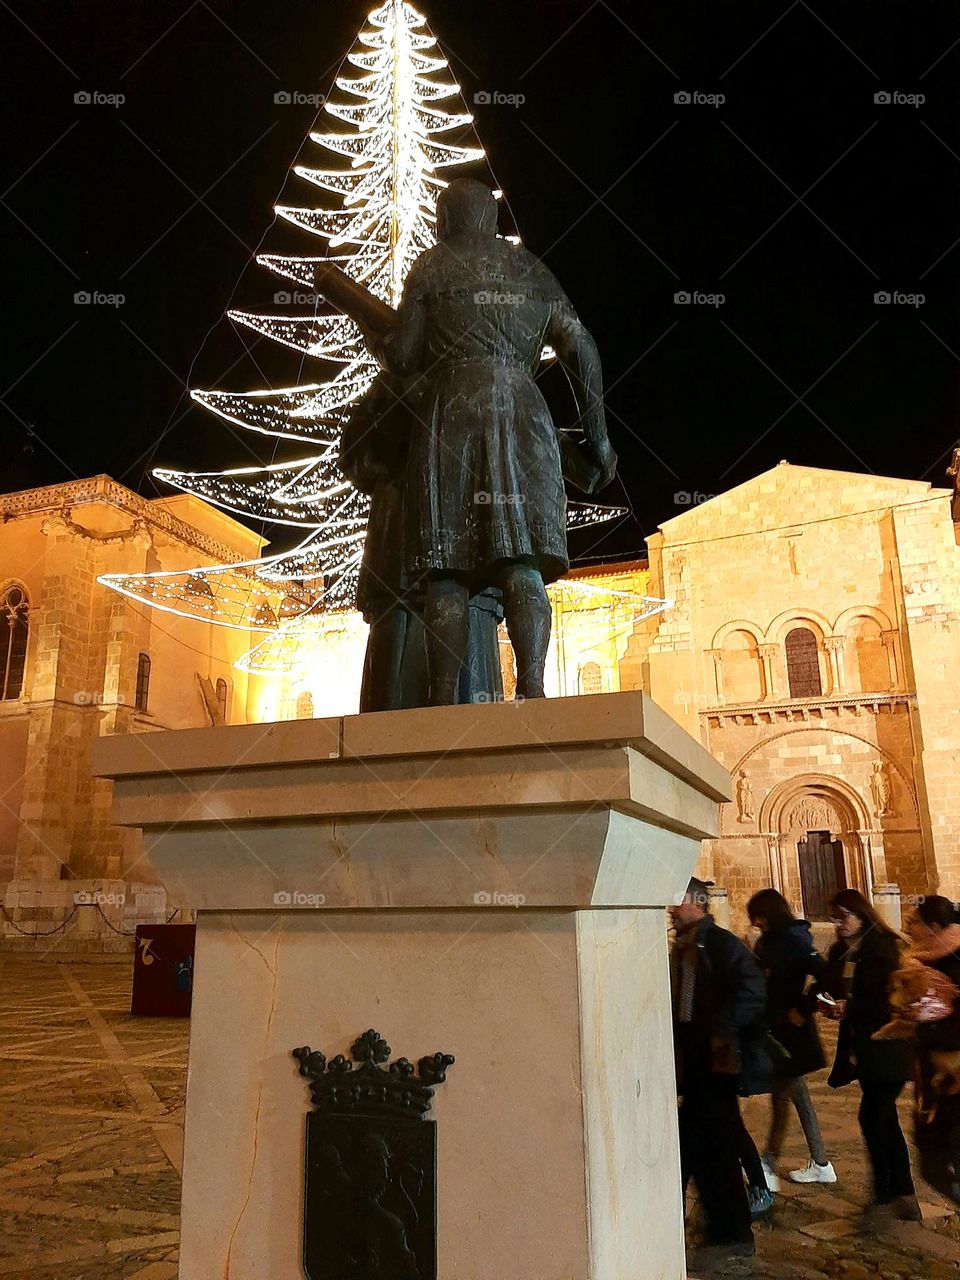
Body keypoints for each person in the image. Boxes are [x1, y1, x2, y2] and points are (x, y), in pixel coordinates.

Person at [377, 178, 617, 704]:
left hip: (449, 417)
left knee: (446, 569)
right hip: (520, 410)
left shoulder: (430, 267)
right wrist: (597, 438)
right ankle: (531, 685)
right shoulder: (529, 268)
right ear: (491, 218)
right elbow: (581, 345)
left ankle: (442, 696)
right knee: (522, 559)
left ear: (445, 220)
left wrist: (392, 334)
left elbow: (401, 357)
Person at [670, 876, 767, 1261]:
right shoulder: (686, 947)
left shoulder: (721, 944)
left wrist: (721, 1027)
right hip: (693, 1064)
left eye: (675, 901)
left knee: (719, 1147)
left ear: (696, 901)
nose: (670, 910)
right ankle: (713, 1228)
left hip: (716, 1064)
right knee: (694, 1145)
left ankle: (732, 1234)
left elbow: (753, 990)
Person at [821, 889, 918, 1221]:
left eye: (843, 917)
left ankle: (890, 1191)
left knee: (874, 1116)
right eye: (834, 918)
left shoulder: (881, 949)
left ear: (861, 914)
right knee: (882, 1117)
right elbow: (836, 984)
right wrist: (832, 1006)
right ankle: (897, 1193)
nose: (838, 924)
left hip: (889, 1049)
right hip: (868, 1049)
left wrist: (850, 1007)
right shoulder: (849, 951)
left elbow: (889, 1000)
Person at [746, 888, 836, 1190]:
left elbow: (826, 975)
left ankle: (770, 1164)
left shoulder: (795, 942)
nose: (755, 922)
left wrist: (805, 1006)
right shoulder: (767, 942)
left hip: (790, 1032)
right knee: (790, 1095)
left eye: (758, 916)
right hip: (773, 1028)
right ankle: (820, 1163)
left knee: (785, 1095)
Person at [904, 895, 960, 1204]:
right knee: (932, 1165)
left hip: (953, 1079)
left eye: (914, 923)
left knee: (944, 1162)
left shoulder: (954, 959)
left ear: (934, 927)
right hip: (932, 1080)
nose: (908, 928)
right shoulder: (919, 961)